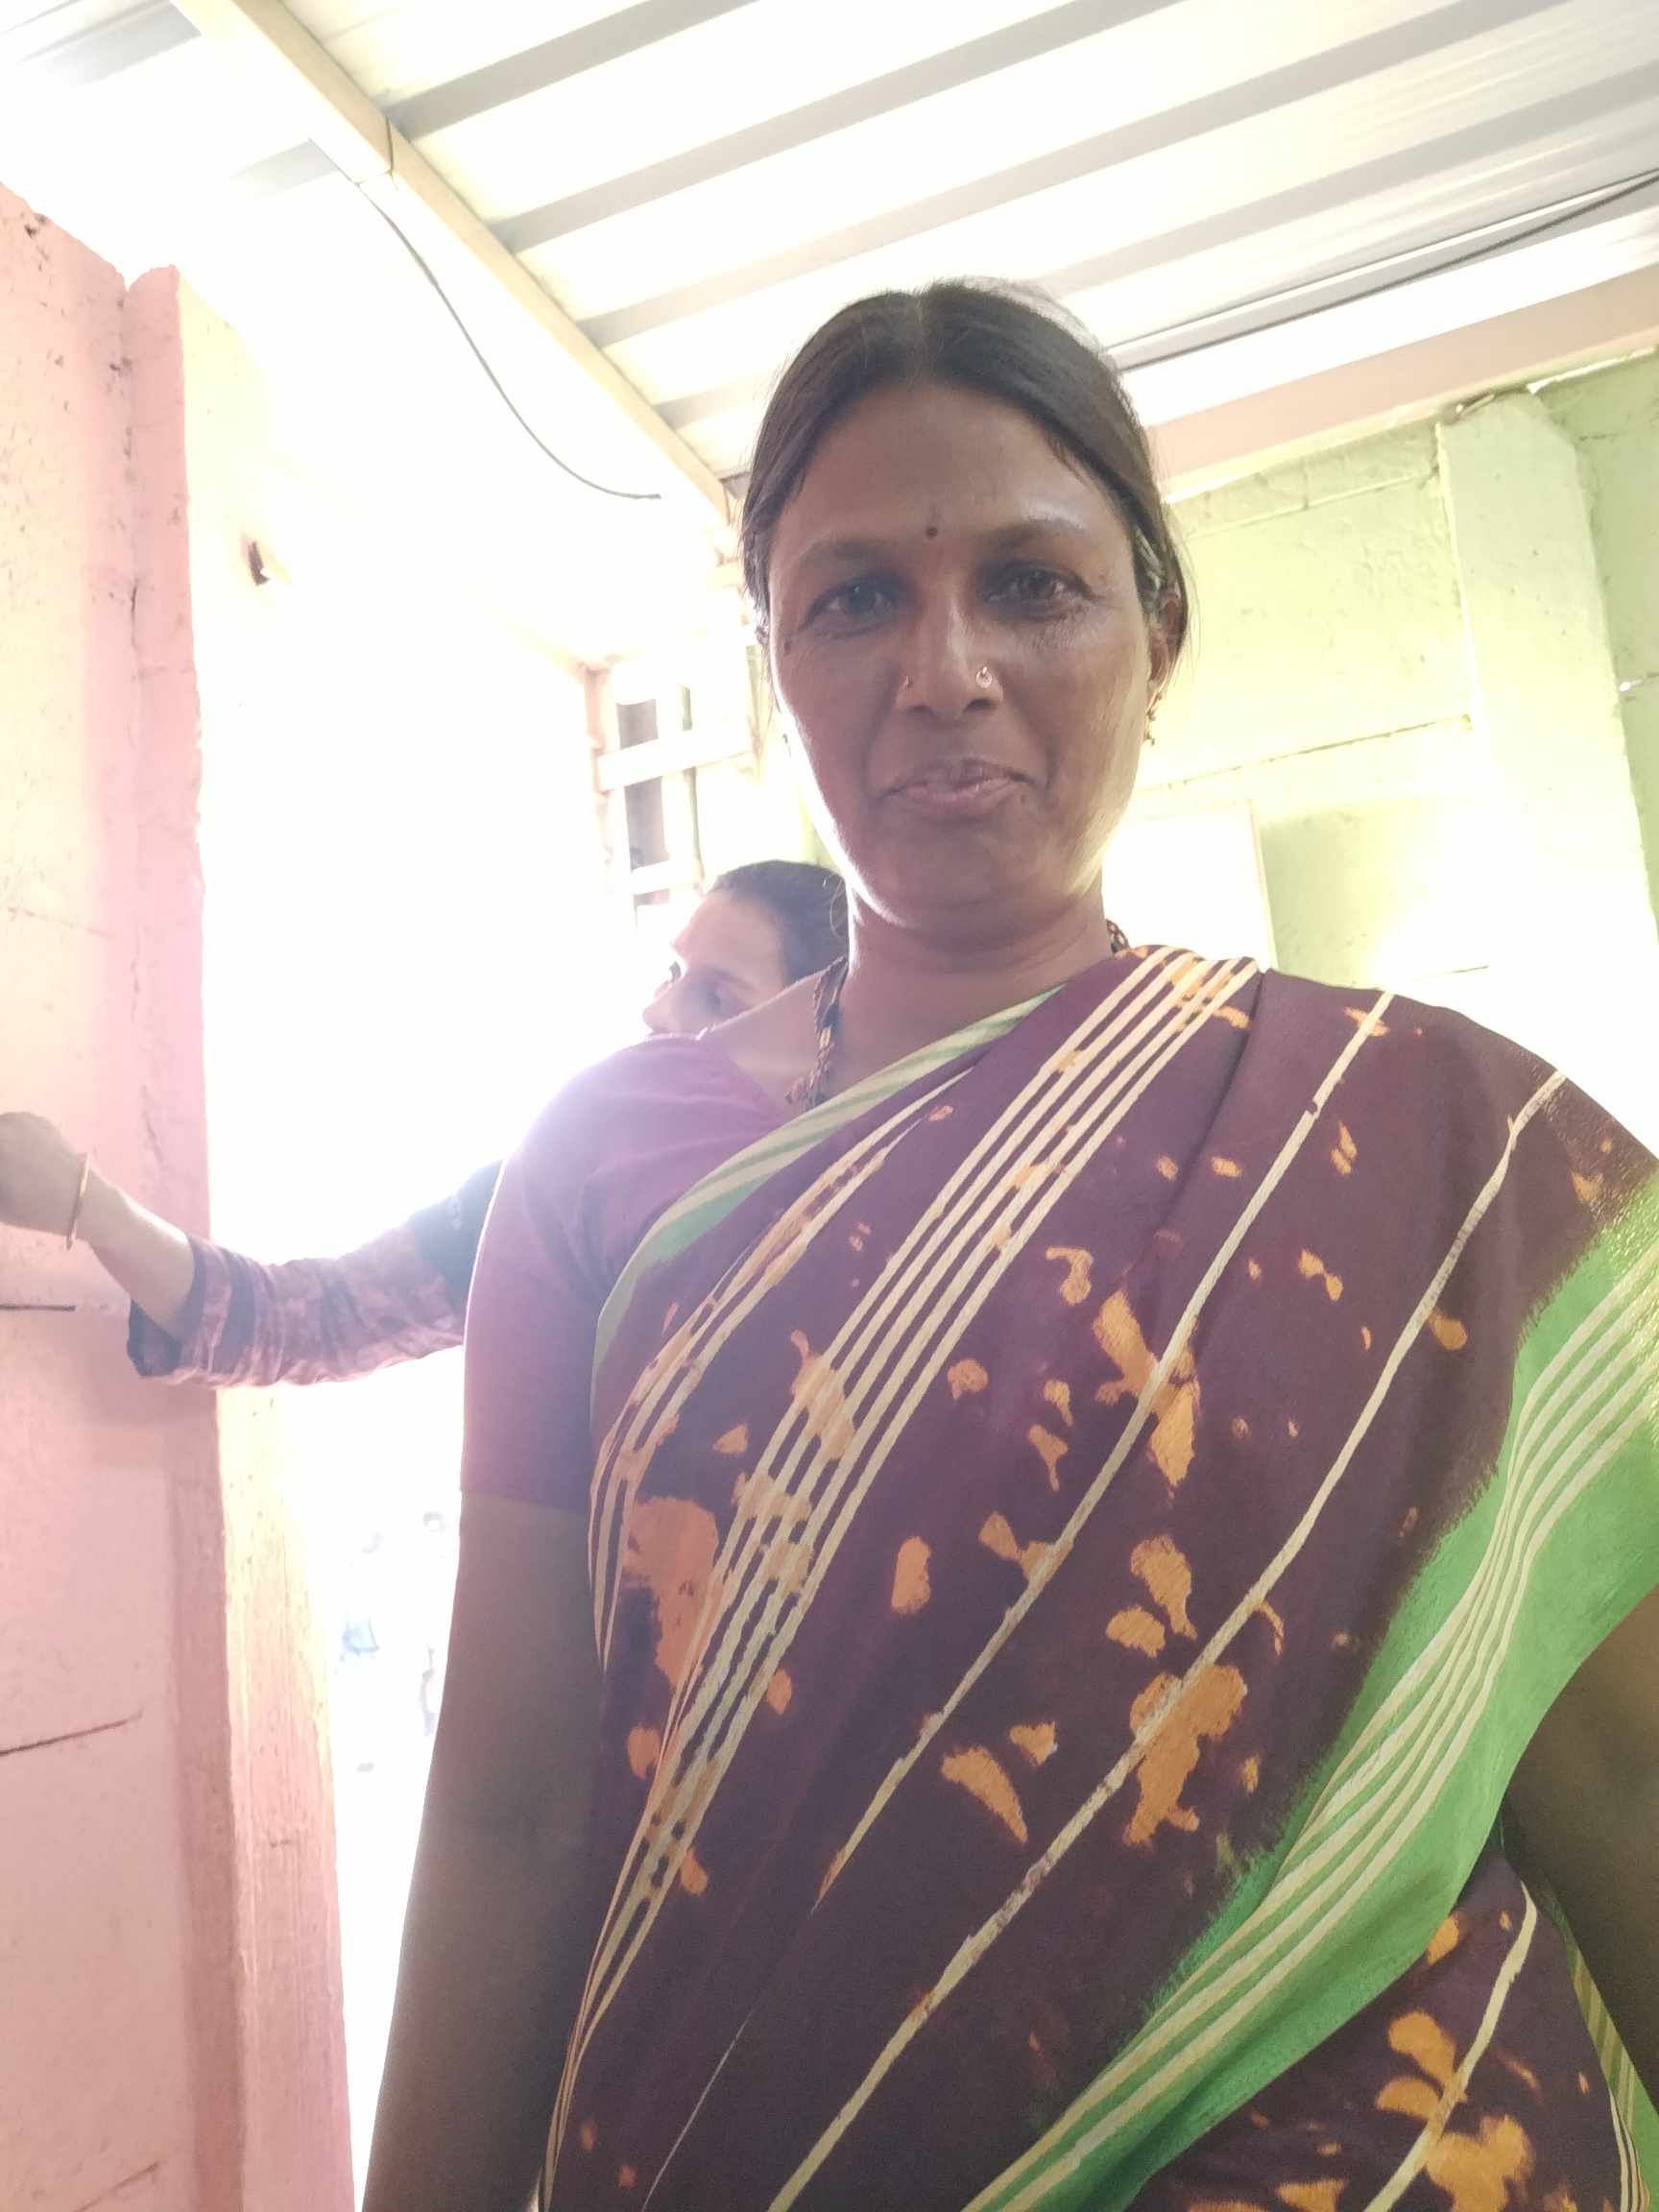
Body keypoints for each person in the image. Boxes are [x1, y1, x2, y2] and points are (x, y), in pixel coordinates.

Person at [364, 282, 1659, 2212]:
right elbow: (509, 1813)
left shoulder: (1434, 1141)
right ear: (774, 670)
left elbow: (1620, 1769)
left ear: (1156, 634)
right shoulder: (605, 1169)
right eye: (854, 598)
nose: (943, 670)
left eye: (1033, 587)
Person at [0, 859, 847, 1387]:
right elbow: (311, 1319)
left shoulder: (874, 1227)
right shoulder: (549, 1195)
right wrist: (91, 1207)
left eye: (716, 997)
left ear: (819, 1040)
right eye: (671, 973)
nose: (658, 1011)